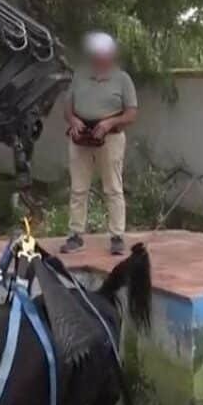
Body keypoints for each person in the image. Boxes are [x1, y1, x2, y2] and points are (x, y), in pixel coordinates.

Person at [60, 31, 138, 256]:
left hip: (110, 137)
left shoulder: (122, 79)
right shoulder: (80, 76)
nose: (99, 59)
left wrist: (109, 122)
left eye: (103, 54)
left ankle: (117, 236)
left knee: (113, 187)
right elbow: (68, 107)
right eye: (96, 54)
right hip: (80, 137)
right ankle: (75, 235)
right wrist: (73, 120)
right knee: (78, 188)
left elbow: (131, 113)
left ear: (110, 55)